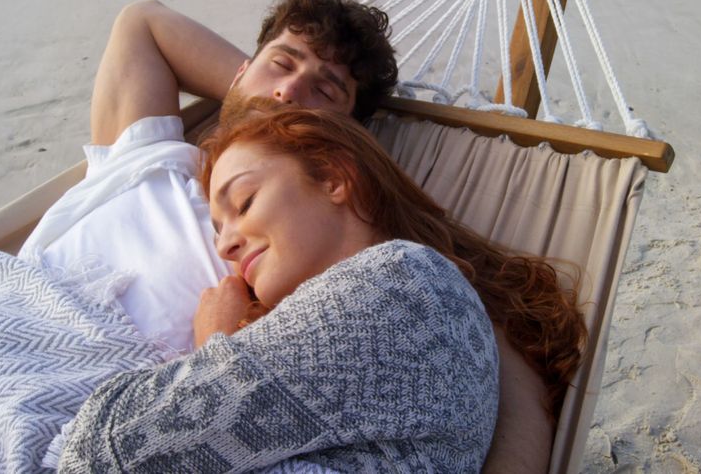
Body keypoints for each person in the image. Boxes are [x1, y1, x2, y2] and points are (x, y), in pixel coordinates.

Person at [19, 0, 571, 471]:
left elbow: (502, 366)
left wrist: (291, 131)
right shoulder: (148, 161)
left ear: (340, 150)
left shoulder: (322, 251)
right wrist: (261, 109)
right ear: (240, 70)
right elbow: (142, 21)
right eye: (280, 65)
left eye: (325, 91)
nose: (288, 91)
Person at [55, 107, 504, 472]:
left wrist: (212, 347)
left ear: (332, 178)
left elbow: (100, 453)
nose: (225, 244)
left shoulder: (396, 284)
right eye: (216, 231)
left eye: (245, 202)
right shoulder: (433, 293)